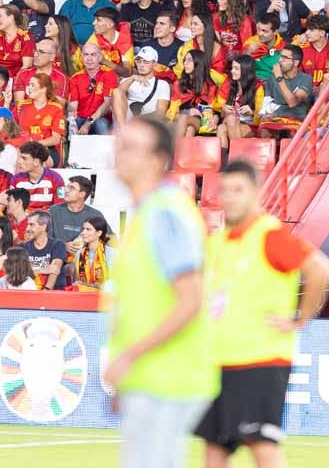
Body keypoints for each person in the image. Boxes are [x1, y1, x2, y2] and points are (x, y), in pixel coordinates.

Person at [195, 161, 329, 468]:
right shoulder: (216, 243)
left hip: (260, 360)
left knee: (263, 448)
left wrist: (301, 317)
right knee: (214, 452)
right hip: (218, 362)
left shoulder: (269, 235)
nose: (230, 197)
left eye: (239, 190)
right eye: (225, 190)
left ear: (256, 193)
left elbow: (320, 269)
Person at [105, 116, 217, 468]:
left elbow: (191, 299)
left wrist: (129, 356)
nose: (118, 154)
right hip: (150, 377)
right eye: (119, 144)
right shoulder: (147, 213)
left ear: (157, 160)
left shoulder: (166, 213)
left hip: (168, 378)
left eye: (129, 147)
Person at [259, 45, 314, 132]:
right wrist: (266, 114)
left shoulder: (306, 79)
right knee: (264, 130)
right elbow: (267, 102)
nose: (280, 60)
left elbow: (292, 102)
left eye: (284, 58)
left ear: (295, 62)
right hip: (276, 118)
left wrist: (279, 78)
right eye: (280, 56)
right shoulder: (272, 78)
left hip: (296, 120)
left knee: (290, 132)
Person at [69, 41, 118, 135]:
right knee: (73, 124)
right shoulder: (75, 77)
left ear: (100, 57)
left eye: (93, 55)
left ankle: (107, 150)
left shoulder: (109, 74)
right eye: (86, 55)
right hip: (81, 117)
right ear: (81, 57)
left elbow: (107, 104)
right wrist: (72, 118)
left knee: (101, 124)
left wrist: (89, 122)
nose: (89, 58)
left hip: (101, 117)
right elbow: (73, 104)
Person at [112, 45, 170, 125]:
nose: (141, 65)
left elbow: (161, 112)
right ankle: (124, 130)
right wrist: (132, 78)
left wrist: (138, 120)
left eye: (146, 62)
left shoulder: (162, 84)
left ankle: (126, 130)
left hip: (148, 122)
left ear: (154, 64)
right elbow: (117, 93)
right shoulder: (128, 81)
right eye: (139, 61)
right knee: (117, 91)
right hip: (126, 120)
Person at [21, 210, 67, 289]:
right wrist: (42, 270)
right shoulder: (22, 247)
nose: (27, 228)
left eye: (31, 225)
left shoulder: (57, 244)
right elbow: (19, 273)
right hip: (29, 292)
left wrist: (47, 290)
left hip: (53, 293)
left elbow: (54, 270)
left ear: (43, 227)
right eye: (28, 224)